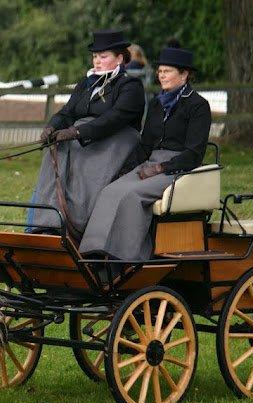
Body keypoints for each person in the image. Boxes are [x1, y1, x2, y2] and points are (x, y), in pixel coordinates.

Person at [79, 44, 212, 262]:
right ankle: (94, 252)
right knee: (110, 190)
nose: (161, 76)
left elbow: (194, 154)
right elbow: (145, 145)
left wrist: (160, 168)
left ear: (184, 74)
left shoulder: (198, 106)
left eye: (167, 71)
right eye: (160, 71)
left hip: (178, 169)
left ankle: (126, 258)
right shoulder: (157, 104)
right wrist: (124, 170)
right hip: (150, 163)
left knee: (132, 195)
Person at [28, 29, 145, 239]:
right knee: (55, 151)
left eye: (103, 56)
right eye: (94, 56)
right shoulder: (86, 83)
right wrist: (52, 127)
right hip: (82, 136)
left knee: (84, 162)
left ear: (119, 58)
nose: (97, 61)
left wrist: (78, 131)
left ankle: (78, 227)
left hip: (115, 140)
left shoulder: (130, 86)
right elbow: (68, 111)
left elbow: (115, 119)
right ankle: (47, 223)